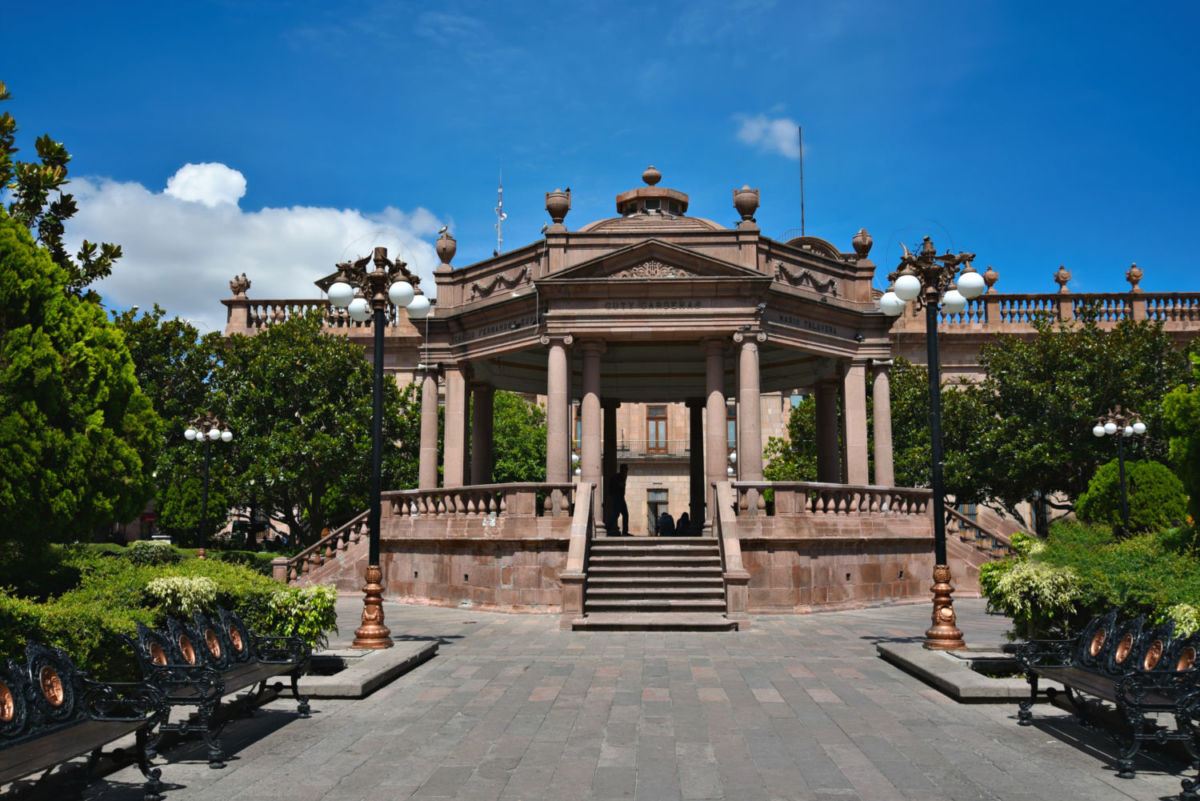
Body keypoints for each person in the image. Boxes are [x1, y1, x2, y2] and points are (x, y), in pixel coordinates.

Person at [607, 464, 629, 536]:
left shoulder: (622, 477)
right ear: (622, 470)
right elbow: (620, 485)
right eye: (626, 470)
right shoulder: (618, 477)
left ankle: (625, 532)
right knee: (616, 514)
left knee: (625, 514)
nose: (626, 472)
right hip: (617, 498)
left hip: (621, 498)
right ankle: (607, 527)